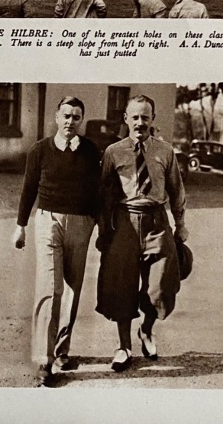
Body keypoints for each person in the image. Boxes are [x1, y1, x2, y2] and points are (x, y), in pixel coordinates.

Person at [96, 95, 188, 371]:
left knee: (162, 286)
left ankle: (146, 330)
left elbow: (177, 191)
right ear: (126, 119)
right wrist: (104, 230)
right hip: (125, 221)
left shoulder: (166, 151)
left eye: (145, 117)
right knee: (121, 285)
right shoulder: (113, 152)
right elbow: (102, 195)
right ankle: (123, 346)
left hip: (157, 221)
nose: (140, 122)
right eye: (134, 117)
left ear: (152, 119)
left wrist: (180, 224)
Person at [13, 96, 100, 386]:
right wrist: (20, 226)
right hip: (48, 221)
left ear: (81, 120)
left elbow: (98, 193)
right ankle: (44, 360)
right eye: (66, 116)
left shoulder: (90, 151)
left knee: (73, 289)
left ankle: (62, 350)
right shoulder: (39, 150)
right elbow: (28, 189)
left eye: (76, 117)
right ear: (56, 117)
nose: (70, 122)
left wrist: (102, 228)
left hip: (82, 223)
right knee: (50, 287)